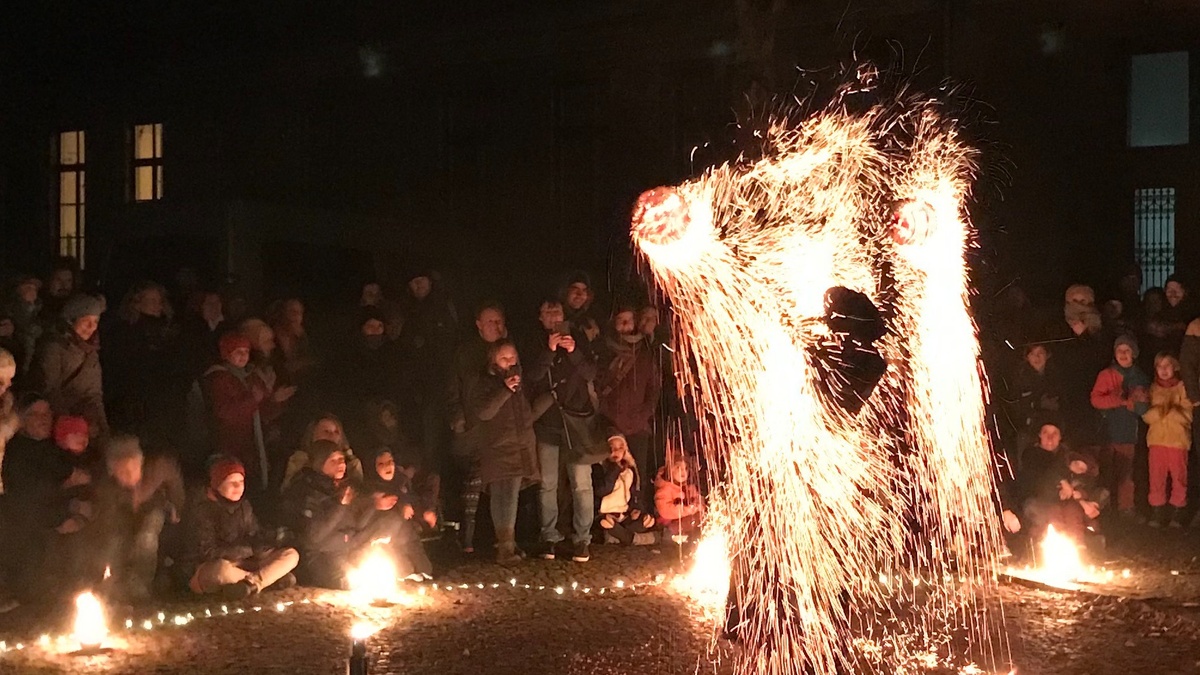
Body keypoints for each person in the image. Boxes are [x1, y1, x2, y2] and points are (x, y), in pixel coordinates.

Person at [281, 440, 427, 587]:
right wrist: (341, 506)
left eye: (341, 459)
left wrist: (373, 505)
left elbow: (356, 521)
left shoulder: (344, 485)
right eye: (333, 460)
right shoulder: (308, 490)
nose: (340, 464)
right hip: (323, 554)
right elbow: (313, 538)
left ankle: (419, 567)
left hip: (349, 545)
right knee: (354, 582)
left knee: (392, 522)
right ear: (319, 463)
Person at [525, 297, 600, 562]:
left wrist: (574, 351)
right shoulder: (534, 342)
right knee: (548, 484)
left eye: (557, 311)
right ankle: (549, 537)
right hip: (548, 422)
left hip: (576, 422)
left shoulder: (578, 337)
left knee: (581, 483)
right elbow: (532, 377)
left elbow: (591, 373)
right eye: (548, 312)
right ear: (540, 317)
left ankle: (582, 539)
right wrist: (549, 350)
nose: (553, 316)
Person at [466, 339, 551, 565]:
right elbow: (484, 412)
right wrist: (504, 390)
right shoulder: (485, 382)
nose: (509, 361)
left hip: (519, 448)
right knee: (503, 498)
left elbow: (526, 413)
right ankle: (504, 548)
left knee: (512, 497)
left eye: (512, 357)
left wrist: (549, 400)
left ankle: (509, 544)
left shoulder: (521, 382)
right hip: (498, 449)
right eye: (504, 358)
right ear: (493, 360)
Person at [73, 435, 186, 601]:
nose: (130, 474)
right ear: (113, 472)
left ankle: (140, 588)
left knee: (146, 538)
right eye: (124, 471)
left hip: (156, 514)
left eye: (134, 467)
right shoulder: (108, 489)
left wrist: (176, 508)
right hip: (125, 520)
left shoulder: (158, 470)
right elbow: (105, 523)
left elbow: (176, 487)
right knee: (115, 541)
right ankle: (115, 586)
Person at [185, 457, 299, 599]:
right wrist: (246, 551)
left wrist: (270, 538)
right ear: (217, 484)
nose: (238, 487)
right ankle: (266, 580)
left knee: (291, 555)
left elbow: (254, 534)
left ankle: (251, 584)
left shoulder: (244, 506)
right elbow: (207, 552)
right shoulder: (202, 510)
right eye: (231, 482)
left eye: (241, 482)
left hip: (245, 562)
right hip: (213, 566)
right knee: (220, 571)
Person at [445, 302, 508, 553]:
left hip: (501, 430)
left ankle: (497, 538)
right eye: (490, 321)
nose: (495, 326)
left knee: (498, 485)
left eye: (499, 321)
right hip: (473, 428)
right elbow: (454, 388)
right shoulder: (466, 354)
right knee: (473, 482)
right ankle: (468, 538)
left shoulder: (508, 351)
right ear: (479, 325)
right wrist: (457, 415)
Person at [204, 333, 295, 491]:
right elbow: (224, 412)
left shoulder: (250, 377)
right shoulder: (219, 379)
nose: (243, 356)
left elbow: (260, 414)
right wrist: (252, 400)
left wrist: (275, 401)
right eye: (238, 352)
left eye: (246, 352)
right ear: (227, 354)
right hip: (231, 445)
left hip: (252, 448)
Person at [597, 306, 662, 510]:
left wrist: (643, 415)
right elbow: (598, 384)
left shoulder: (644, 353)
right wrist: (608, 417)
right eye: (621, 320)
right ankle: (609, 515)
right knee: (611, 472)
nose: (626, 325)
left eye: (629, 320)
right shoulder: (605, 350)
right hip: (611, 426)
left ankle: (637, 514)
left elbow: (654, 389)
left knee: (638, 472)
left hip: (637, 426)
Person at [1090, 335, 1150, 517]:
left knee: (1126, 472)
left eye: (1127, 350)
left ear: (1134, 354)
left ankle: (1126, 507)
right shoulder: (1107, 375)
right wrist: (1119, 400)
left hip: (1127, 432)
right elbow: (1096, 400)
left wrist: (1137, 403)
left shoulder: (1140, 377)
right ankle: (1102, 507)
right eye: (1119, 350)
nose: (1123, 354)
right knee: (1105, 470)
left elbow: (1143, 406)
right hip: (1107, 431)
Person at [33, 294, 108, 438]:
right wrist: (71, 425)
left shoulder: (91, 353)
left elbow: (94, 396)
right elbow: (50, 389)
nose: (91, 327)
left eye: (95, 321)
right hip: (59, 423)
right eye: (86, 321)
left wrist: (103, 430)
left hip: (86, 423)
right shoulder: (54, 348)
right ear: (71, 319)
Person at [1143, 353, 1192, 528]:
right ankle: (1157, 511)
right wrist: (1159, 412)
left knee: (1179, 477)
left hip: (1178, 440)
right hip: (1156, 440)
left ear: (1175, 367)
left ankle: (1178, 511)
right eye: (1159, 366)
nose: (1163, 370)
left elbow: (1188, 416)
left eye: (1167, 365)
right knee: (1156, 476)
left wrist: (1170, 412)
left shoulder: (1183, 387)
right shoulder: (1152, 388)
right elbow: (1146, 415)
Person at [595, 432, 656, 546]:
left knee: (647, 521)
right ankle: (630, 539)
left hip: (624, 514)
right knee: (606, 523)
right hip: (605, 513)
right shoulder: (600, 468)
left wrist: (635, 509)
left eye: (620, 448)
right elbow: (603, 490)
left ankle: (617, 535)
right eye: (611, 448)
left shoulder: (630, 470)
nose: (616, 451)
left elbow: (634, 493)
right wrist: (615, 470)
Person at [281, 414, 365, 491]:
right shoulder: (300, 460)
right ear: (313, 435)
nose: (332, 435)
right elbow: (289, 492)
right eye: (326, 431)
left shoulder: (351, 462)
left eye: (336, 432)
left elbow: (359, 491)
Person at [654, 454, 703, 543]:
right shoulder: (665, 488)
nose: (683, 471)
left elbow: (698, 500)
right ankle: (670, 535)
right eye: (678, 468)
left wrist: (700, 505)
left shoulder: (689, 487)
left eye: (686, 468)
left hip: (686, 520)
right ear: (669, 470)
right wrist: (689, 510)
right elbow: (665, 511)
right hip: (670, 523)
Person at [560, 272, 602, 345]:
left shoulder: (591, 322)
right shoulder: (555, 320)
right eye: (575, 289)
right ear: (566, 292)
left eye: (584, 290)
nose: (579, 294)